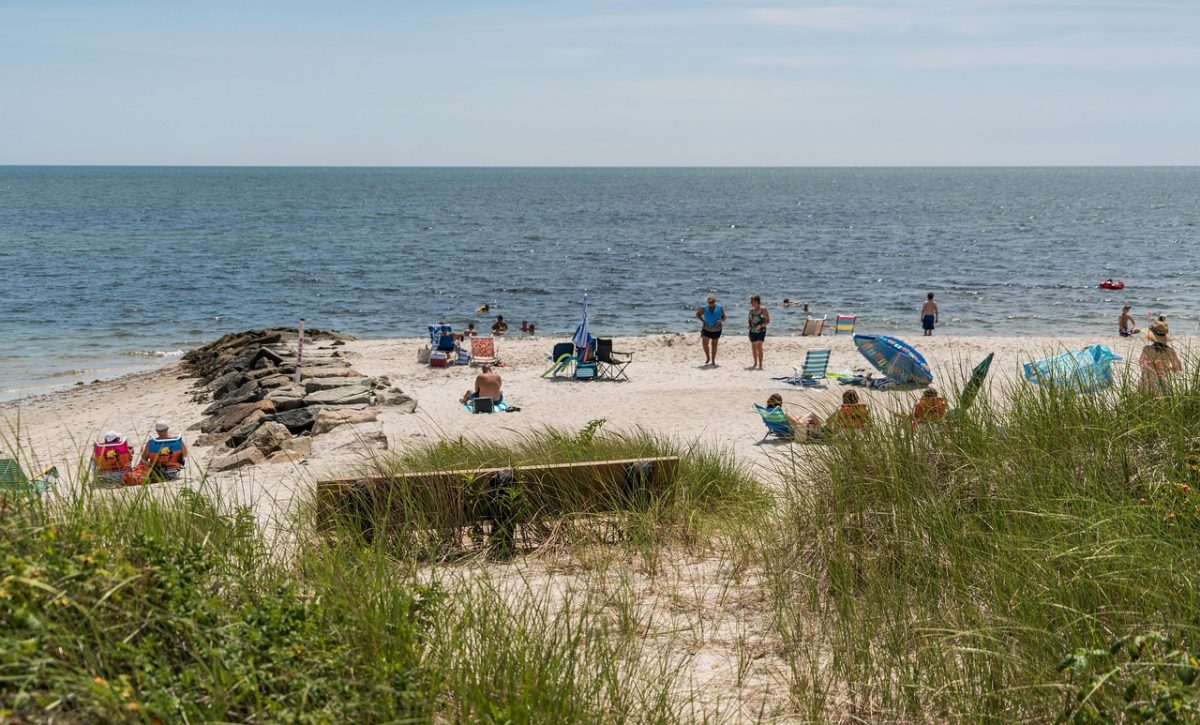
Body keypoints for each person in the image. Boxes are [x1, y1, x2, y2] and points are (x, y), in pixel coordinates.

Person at [1139, 317, 1182, 393]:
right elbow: (1179, 368)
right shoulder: (1170, 351)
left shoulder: (1146, 349)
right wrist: (1169, 368)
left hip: (1146, 382)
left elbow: (1140, 362)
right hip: (1162, 383)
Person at [696, 295, 726, 366]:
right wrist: (703, 321)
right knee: (705, 344)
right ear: (707, 302)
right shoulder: (704, 308)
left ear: (715, 301)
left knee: (714, 345)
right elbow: (698, 314)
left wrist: (721, 320)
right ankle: (708, 357)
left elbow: (724, 317)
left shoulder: (719, 307)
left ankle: (713, 361)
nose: (711, 304)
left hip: (717, 328)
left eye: (712, 302)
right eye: (709, 303)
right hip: (706, 328)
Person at [747, 294, 770, 370]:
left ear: (757, 301)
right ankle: (755, 363)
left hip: (761, 331)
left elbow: (768, 321)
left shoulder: (763, 309)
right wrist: (748, 325)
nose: (751, 303)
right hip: (752, 331)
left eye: (752, 301)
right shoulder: (751, 310)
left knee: (759, 347)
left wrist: (761, 325)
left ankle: (760, 365)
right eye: (751, 301)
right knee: (754, 347)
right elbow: (749, 321)